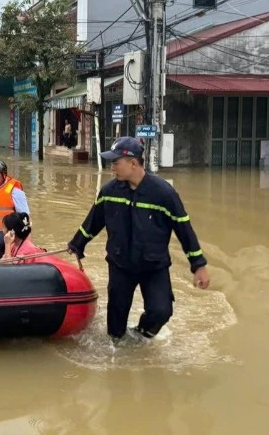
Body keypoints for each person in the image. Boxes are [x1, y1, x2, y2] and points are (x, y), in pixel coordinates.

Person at [67, 136, 211, 343]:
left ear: (133, 163)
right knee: (115, 326)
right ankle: (117, 356)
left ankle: (140, 335)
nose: (112, 168)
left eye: (116, 163)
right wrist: (76, 244)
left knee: (161, 312)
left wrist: (199, 265)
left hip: (154, 265)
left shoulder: (164, 194)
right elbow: (93, 221)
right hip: (120, 264)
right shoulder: (109, 192)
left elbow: (184, 229)